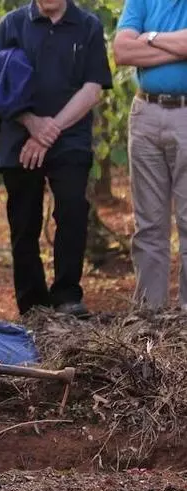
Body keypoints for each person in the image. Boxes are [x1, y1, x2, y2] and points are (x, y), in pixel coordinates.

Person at [0, 0, 112, 318]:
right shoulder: (11, 24)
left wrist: (50, 130)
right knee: (24, 220)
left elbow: (92, 88)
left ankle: (68, 295)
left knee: (72, 211)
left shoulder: (88, 26)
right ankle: (33, 304)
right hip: (19, 135)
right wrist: (32, 123)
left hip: (69, 136)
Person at [113, 1, 187, 310]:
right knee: (149, 224)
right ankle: (149, 312)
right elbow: (122, 52)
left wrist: (149, 37)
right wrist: (178, 47)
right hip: (145, 113)